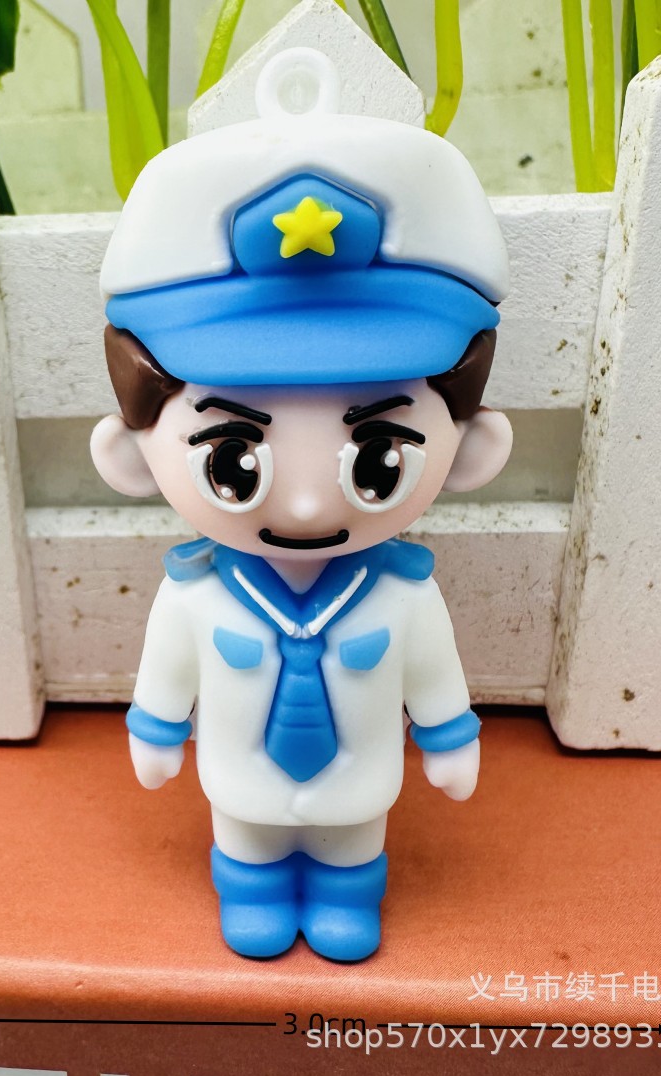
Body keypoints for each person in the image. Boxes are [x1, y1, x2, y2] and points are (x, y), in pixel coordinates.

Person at [90, 49, 511, 961]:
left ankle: (346, 898)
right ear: (128, 453)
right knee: (243, 837)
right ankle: (251, 890)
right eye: (233, 460)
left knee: (353, 844)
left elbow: (433, 669)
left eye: (378, 458)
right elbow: (168, 666)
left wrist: (449, 735)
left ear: (474, 448)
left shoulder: (403, 592)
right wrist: (155, 727)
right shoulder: (195, 593)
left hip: (360, 789)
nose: (313, 501)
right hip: (239, 783)